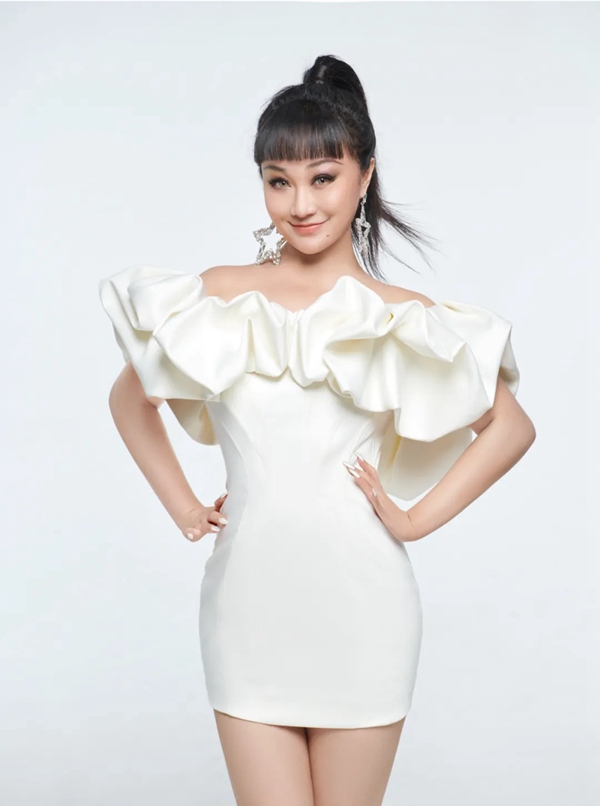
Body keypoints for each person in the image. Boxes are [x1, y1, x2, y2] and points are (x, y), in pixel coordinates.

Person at [98, 54, 536, 806]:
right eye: (279, 181)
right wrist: (183, 507)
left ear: (365, 176)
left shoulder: (400, 316)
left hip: (365, 613)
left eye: (323, 177)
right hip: (247, 610)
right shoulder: (218, 297)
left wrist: (414, 520)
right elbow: (129, 400)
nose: (299, 203)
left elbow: (511, 427)